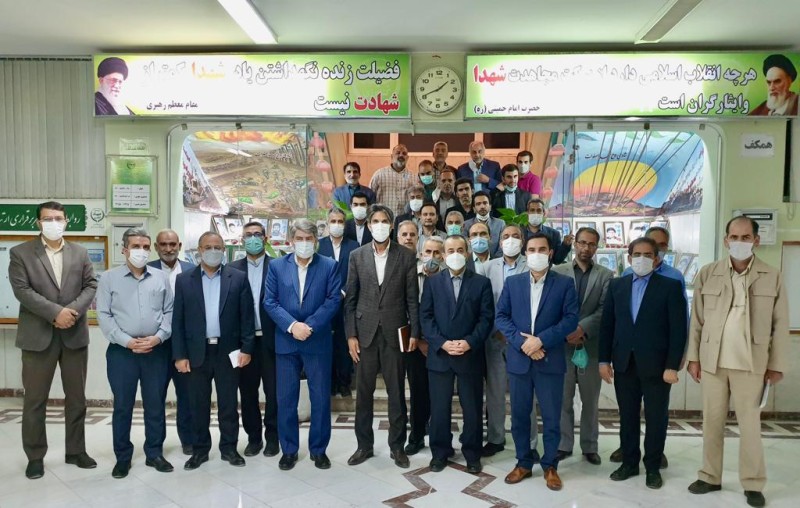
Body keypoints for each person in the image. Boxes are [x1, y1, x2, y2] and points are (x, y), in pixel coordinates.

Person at [686, 216, 789, 508]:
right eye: (734, 237)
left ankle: (753, 483)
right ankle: (710, 476)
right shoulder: (708, 273)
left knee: (750, 427)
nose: (739, 242)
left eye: (745, 237)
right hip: (713, 362)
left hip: (752, 364)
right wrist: (693, 358)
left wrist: (777, 364)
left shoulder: (772, 275)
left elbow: (781, 323)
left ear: (756, 240)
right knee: (712, 422)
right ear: (725, 240)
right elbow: (697, 321)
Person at [9, 201, 98, 479]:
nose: (53, 223)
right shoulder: (21, 253)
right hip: (37, 338)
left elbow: (90, 285)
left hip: (74, 335)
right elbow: (22, 290)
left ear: (66, 221)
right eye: (47, 219)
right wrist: (55, 313)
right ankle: (35, 457)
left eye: (58, 218)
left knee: (77, 399)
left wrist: (70, 312)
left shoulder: (80, 252)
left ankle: (76, 451)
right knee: (35, 400)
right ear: (38, 223)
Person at [599, 237, 687, 490]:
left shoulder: (670, 286)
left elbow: (678, 330)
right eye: (637, 254)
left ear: (657, 259)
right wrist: (604, 360)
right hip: (624, 362)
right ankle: (629, 462)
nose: (642, 259)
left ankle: (652, 467)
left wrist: (672, 365)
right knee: (627, 416)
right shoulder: (617, 285)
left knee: (656, 418)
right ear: (629, 258)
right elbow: (607, 325)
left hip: (658, 366)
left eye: (648, 255)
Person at [495, 233, 579, 491]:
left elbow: (570, 319)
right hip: (520, 361)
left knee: (552, 416)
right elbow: (501, 317)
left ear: (551, 253)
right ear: (525, 253)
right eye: (531, 249)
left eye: (542, 249)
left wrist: (541, 341)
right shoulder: (513, 283)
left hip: (549, 359)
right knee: (520, 415)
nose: (536, 254)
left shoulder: (564, 283)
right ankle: (523, 462)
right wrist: (524, 344)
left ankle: (550, 465)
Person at [345, 204, 420, 469]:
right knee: (363, 394)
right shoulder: (356, 256)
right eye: (374, 221)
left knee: (396, 393)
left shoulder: (406, 256)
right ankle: (363, 445)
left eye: (384, 221)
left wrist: (415, 332)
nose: (379, 225)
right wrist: (351, 335)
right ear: (369, 226)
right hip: (364, 334)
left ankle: (397, 447)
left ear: (391, 225)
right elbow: (350, 300)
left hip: (394, 333)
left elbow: (412, 300)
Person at [172, 232, 254, 470]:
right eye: (208, 247)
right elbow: (178, 320)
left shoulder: (237, 278)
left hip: (228, 351)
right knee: (198, 405)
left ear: (224, 250)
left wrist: (247, 348)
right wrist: (180, 355)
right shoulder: (184, 280)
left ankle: (229, 449)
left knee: (228, 404)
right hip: (196, 352)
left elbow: (247, 317)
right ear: (199, 250)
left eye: (217, 247)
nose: (213, 251)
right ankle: (200, 451)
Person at [96, 228, 174, 478]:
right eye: (136, 246)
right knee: (122, 406)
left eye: (145, 246)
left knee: (155, 404)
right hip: (122, 353)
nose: (141, 251)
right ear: (124, 249)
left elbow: (170, 311)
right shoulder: (109, 278)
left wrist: (159, 337)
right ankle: (122, 457)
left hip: (155, 351)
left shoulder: (161, 277)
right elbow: (104, 315)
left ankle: (154, 453)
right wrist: (128, 342)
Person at [264, 219, 341, 471]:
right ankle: (289, 450)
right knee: (286, 400)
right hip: (286, 342)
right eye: (299, 239)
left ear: (316, 241)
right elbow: (270, 302)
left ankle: (319, 450)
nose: (304, 243)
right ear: (291, 241)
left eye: (309, 239)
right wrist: (292, 326)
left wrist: (309, 326)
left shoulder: (329, 266)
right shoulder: (277, 266)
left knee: (320, 399)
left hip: (317, 341)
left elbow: (332, 300)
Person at [420, 235, 494, 475]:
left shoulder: (481, 283)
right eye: (450, 250)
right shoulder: (432, 283)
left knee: (472, 409)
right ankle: (440, 452)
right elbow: (426, 317)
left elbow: (486, 318)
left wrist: (469, 342)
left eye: (460, 249)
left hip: (469, 355)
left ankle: (472, 453)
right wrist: (442, 343)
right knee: (439, 409)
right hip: (440, 356)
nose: (455, 254)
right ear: (443, 255)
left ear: (467, 253)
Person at [552, 227, 613, 466]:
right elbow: (552, 306)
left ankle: (590, 446)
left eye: (591, 244)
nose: (586, 248)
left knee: (590, 401)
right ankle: (563, 444)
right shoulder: (558, 272)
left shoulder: (606, 275)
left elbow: (604, 309)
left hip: (591, 345)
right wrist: (567, 330)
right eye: (582, 243)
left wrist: (582, 329)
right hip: (562, 346)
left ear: (597, 247)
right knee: (563, 400)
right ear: (574, 244)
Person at [482, 225, 536, 459]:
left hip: (523, 341)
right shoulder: (487, 267)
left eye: (515, 236)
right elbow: (484, 304)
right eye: (506, 236)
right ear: (499, 241)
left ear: (522, 241)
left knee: (525, 394)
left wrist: (515, 333)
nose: (510, 240)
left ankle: (529, 443)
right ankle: (495, 438)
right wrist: (498, 330)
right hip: (494, 339)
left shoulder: (532, 265)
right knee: (494, 392)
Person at [227, 221, 280, 458]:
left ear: (265, 238)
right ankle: (254, 438)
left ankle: (273, 438)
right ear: (242, 240)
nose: (253, 238)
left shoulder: (278, 266)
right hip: (244, 344)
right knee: (247, 394)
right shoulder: (231, 269)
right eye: (248, 235)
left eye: (257, 234)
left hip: (272, 341)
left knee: (274, 393)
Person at [148, 229, 196, 455]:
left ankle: (189, 440)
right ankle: (155, 444)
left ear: (179, 246)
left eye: (173, 244)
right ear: (156, 247)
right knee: (155, 396)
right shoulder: (146, 269)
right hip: (156, 344)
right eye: (163, 244)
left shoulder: (192, 270)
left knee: (187, 395)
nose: (168, 249)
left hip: (185, 345)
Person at [317, 208, 360, 397]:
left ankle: (344, 383)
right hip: (324, 304)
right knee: (327, 343)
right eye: (333, 221)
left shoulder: (354, 245)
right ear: (327, 223)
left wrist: (343, 291)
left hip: (346, 302)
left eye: (340, 221)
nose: (336, 225)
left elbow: (356, 273)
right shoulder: (319, 245)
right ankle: (330, 383)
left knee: (344, 342)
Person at [403, 235, 438, 456]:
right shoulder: (410, 276)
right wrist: (419, 338)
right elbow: (405, 307)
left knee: (439, 393)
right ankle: (416, 436)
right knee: (417, 392)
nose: (432, 257)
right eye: (428, 252)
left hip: (440, 345)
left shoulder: (447, 277)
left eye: (436, 253)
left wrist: (433, 341)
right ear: (421, 254)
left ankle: (438, 437)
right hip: (415, 343)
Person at [369, 144, 415, 217]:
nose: (401, 155)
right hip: (383, 219)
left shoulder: (413, 177)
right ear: (392, 156)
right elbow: (370, 197)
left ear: (407, 158)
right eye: (398, 153)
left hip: (405, 220)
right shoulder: (379, 174)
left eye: (404, 153)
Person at [524, 198, 572, 264]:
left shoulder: (554, 234)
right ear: (527, 213)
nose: (535, 213)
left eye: (539, 210)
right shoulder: (519, 233)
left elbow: (556, 260)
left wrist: (565, 245)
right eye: (532, 210)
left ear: (543, 213)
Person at [464, 190, 506, 257]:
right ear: (474, 209)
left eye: (485, 203)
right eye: (478, 204)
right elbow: (465, 247)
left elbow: (502, 246)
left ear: (490, 207)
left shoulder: (500, 224)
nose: (482, 206)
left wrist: (494, 261)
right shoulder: (466, 225)